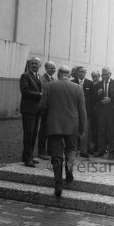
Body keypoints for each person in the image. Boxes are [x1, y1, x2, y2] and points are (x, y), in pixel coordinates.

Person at [39, 65, 87, 197]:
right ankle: (69, 166)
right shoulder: (77, 88)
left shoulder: (49, 86)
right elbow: (82, 110)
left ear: (59, 74)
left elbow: (42, 105)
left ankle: (58, 183)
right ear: (70, 75)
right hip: (72, 125)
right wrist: (82, 128)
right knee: (71, 148)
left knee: (56, 155)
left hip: (54, 125)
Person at [20, 57, 42, 167]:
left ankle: (28, 156)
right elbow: (25, 91)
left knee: (33, 134)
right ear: (29, 64)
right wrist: (39, 95)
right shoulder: (25, 76)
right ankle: (28, 159)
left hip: (37, 110)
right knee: (28, 134)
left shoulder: (39, 77)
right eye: (32, 63)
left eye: (36, 63)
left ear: (40, 65)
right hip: (28, 110)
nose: (34, 65)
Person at [71, 66, 94, 158]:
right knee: (74, 131)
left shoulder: (90, 83)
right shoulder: (72, 82)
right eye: (80, 72)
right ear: (77, 72)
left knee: (85, 131)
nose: (81, 73)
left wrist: (89, 111)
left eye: (83, 72)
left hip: (86, 112)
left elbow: (92, 99)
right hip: (74, 111)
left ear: (86, 73)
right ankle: (73, 150)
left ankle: (83, 151)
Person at [92, 67, 114, 159]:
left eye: (106, 74)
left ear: (110, 74)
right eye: (103, 74)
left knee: (111, 132)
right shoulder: (98, 85)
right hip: (101, 111)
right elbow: (93, 98)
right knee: (101, 131)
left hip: (111, 111)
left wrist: (111, 99)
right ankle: (100, 150)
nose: (104, 76)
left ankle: (111, 152)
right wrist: (97, 94)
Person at [37, 61, 56, 160]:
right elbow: (45, 93)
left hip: (52, 110)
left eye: (54, 68)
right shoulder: (42, 79)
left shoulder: (54, 79)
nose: (53, 70)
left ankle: (50, 151)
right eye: (51, 68)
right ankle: (41, 152)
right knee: (43, 131)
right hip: (46, 108)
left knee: (51, 131)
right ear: (46, 69)